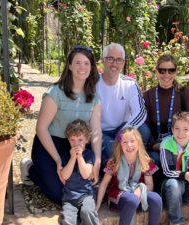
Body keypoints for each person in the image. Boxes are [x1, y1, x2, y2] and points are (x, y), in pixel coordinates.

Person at [20, 45, 102, 204]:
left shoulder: (94, 97)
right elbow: (41, 128)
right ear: (69, 66)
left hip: (78, 146)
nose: (82, 67)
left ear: (91, 67)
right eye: (77, 63)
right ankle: (31, 168)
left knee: (84, 192)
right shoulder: (56, 92)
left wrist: (97, 161)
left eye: (86, 63)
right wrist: (58, 160)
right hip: (51, 145)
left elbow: (96, 130)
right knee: (60, 195)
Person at [96, 42, 150, 167]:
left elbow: (140, 113)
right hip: (101, 131)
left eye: (119, 60)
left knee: (144, 131)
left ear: (124, 62)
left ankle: (135, 162)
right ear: (103, 61)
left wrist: (123, 133)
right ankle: (127, 165)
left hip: (124, 127)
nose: (114, 63)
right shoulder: (93, 83)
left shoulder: (130, 83)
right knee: (111, 149)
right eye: (110, 59)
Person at [96, 127, 162, 225]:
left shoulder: (145, 161)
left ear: (138, 143)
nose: (129, 145)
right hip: (120, 194)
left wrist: (139, 190)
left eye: (132, 141)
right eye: (125, 142)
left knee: (156, 198)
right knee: (132, 200)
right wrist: (97, 205)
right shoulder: (114, 162)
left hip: (138, 193)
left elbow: (149, 185)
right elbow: (104, 184)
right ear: (120, 145)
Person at [143, 54, 189, 167]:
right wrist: (156, 145)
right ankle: (171, 175)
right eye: (162, 70)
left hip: (179, 141)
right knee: (156, 159)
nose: (166, 75)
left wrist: (175, 143)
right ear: (157, 72)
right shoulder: (148, 95)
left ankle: (186, 175)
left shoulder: (184, 93)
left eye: (171, 71)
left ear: (176, 72)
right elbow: (145, 126)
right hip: (157, 146)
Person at [58, 119, 99, 225]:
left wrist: (79, 157)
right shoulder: (65, 154)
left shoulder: (89, 154)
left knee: (88, 212)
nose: (76, 144)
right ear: (68, 140)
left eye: (80, 140)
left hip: (86, 195)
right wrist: (72, 158)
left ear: (87, 140)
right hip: (69, 197)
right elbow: (65, 176)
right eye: (72, 140)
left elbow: (86, 175)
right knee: (67, 218)